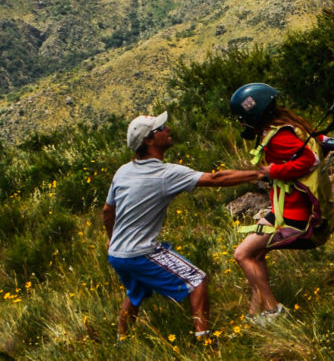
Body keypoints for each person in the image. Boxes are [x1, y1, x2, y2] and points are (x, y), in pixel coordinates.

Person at [103, 111, 260, 340]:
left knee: (136, 291)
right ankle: (204, 341)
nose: (167, 129)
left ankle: (121, 340)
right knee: (197, 281)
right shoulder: (166, 174)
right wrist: (258, 173)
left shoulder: (123, 171)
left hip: (118, 254)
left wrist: (112, 238)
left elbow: (108, 211)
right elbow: (216, 179)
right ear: (149, 141)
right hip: (141, 253)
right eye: (160, 129)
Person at [227, 82, 331, 324]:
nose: (242, 123)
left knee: (242, 254)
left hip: (293, 215)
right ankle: (255, 314)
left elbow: (309, 159)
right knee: (254, 254)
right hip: (284, 209)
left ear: (255, 112)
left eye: (243, 118)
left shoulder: (278, 136)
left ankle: (274, 311)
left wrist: (276, 170)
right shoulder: (281, 128)